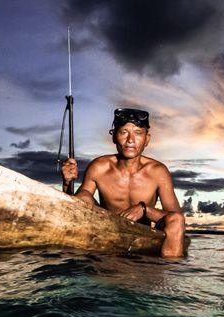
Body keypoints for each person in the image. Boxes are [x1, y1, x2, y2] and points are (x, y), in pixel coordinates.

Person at [61, 107, 186, 258]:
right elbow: (81, 200)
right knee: (83, 197)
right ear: (114, 136)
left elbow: (176, 217)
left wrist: (144, 209)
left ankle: (170, 276)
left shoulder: (158, 171)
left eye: (138, 133)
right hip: (106, 227)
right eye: (124, 132)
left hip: (143, 234)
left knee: (177, 219)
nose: (130, 140)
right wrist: (67, 183)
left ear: (147, 139)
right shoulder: (100, 166)